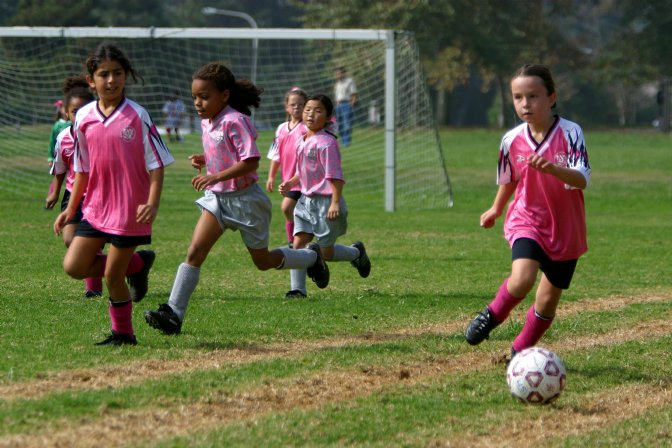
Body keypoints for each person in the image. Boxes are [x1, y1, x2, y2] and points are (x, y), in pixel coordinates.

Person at [143, 63, 329, 335]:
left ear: (225, 95)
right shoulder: (207, 122)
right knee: (195, 252)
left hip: (246, 201)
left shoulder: (236, 121)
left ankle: (310, 259)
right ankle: (173, 313)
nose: (198, 103)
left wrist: (214, 176)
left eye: (204, 97)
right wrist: (206, 160)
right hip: (218, 200)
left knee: (262, 261)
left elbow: (251, 162)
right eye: (195, 97)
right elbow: (224, 152)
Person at [464, 64, 591, 361]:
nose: (525, 104)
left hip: (566, 230)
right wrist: (496, 208)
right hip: (527, 219)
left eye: (533, 96)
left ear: (551, 97)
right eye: (518, 97)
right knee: (522, 278)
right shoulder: (511, 139)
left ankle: (520, 351)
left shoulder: (571, 133)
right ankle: (491, 315)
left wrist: (556, 170)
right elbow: (509, 179)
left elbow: (582, 178)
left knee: (546, 303)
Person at [53, 43, 174, 346]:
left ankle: (124, 334)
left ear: (126, 76)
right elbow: (81, 169)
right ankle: (139, 263)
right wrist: (71, 209)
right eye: (104, 74)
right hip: (94, 207)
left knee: (112, 277)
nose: (111, 80)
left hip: (129, 211)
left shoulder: (137, 115)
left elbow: (157, 165)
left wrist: (152, 202)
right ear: (91, 80)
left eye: (117, 73)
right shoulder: (83, 117)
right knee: (74, 266)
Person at [279, 93, 371, 298]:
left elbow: (335, 176)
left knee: (326, 253)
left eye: (318, 110)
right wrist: (291, 182)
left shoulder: (327, 143)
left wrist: (335, 202)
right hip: (305, 201)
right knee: (298, 244)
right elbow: (303, 171)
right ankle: (298, 290)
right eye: (308, 109)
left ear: (328, 116)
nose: (311, 114)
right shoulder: (302, 139)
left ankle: (356, 253)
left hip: (325, 203)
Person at [45, 75, 103, 298]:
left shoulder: (99, 134)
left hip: (99, 195)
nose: (78, 115)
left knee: (89, 241)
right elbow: (60, 170)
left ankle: (94, 288)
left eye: (83, 110)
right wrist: (54, 193)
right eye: (74, 111)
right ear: (66, 113)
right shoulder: (63, 138)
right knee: (70, 239)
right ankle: (130, 266)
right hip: (73, 195)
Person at [265, 87, 308, 253]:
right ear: (286, 107)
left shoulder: (306, 129)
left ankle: (294, 242)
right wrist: (271, 177)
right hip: (288, 179)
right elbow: (276, 155)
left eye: (300, 104)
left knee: (286, 207)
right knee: (294, 211)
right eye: (293, 104)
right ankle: (296, 241)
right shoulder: (281, 128)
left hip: (302, 179)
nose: (296, 108)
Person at [333, 67, 357, 147]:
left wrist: (352, 104)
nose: (337, 75)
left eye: (339, 73)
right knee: (339, 125)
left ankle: (346, 142)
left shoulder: (349, 81)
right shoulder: (337, 84)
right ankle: (343, 140)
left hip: (346, 104)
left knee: (347, 124)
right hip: (338, 105)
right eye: (336, 74)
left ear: (343, 73)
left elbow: (354, 94)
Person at [47, 99, 69, 167]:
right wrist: (50, 158)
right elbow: (52, 142)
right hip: (59, 157)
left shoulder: (74, 123)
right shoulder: (57, 125)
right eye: (64, 107)